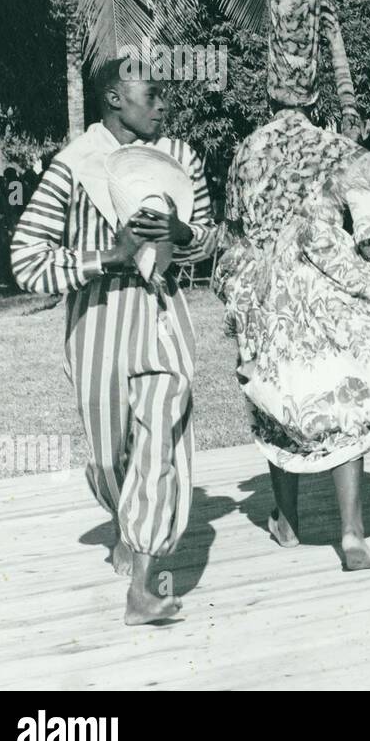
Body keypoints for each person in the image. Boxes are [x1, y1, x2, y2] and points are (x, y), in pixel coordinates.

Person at [214, 0, 370, 571]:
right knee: (344, 394)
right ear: (316, 86)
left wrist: (241, 303)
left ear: (268, 81)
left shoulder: (247, 151)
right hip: (325, 293)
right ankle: (350, 533)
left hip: (266, 295)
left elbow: (231, 239)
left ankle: (287, 520)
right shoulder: (335, 149)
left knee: (278, 397)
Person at [11, 63, 217, 624]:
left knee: (162, 436)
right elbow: (26, 260)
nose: (162, 107)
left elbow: (208, 241)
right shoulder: (72, 167)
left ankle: (144, 585)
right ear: (113, 97)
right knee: (111, 456)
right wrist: (109, 256)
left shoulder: (180, 158)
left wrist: (182, 235)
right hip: (98, 319)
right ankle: (127, 518)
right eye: (151, 96)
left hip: (162, 314)